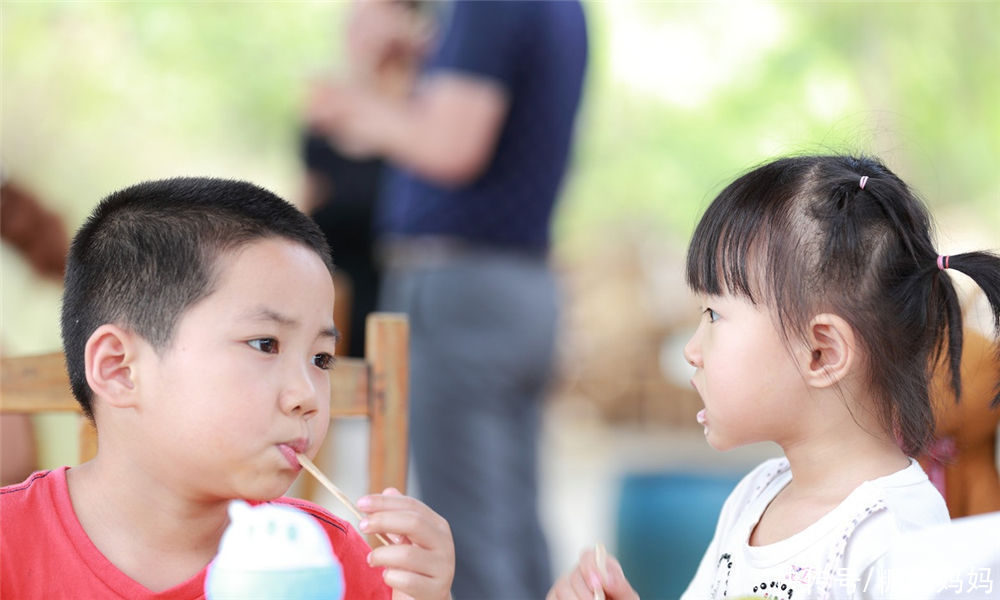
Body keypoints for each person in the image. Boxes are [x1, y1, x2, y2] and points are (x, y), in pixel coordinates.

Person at [548, 155, 1000, 600]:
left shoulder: (894, 535)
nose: (691, 350)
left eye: (712, 314)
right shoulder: (755, 497)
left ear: (821, 352)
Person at [0, 177, 455, 599]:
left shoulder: (332, 560)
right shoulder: (10, 545)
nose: (308, 396)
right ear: (120, 369)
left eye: (321, 359)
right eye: (265, 344)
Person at [307, 2, 589, 598]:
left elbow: (453, 145)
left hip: (464, 287)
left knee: (466, 531)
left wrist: (352, 105)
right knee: (511, 517)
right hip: (518, 281)